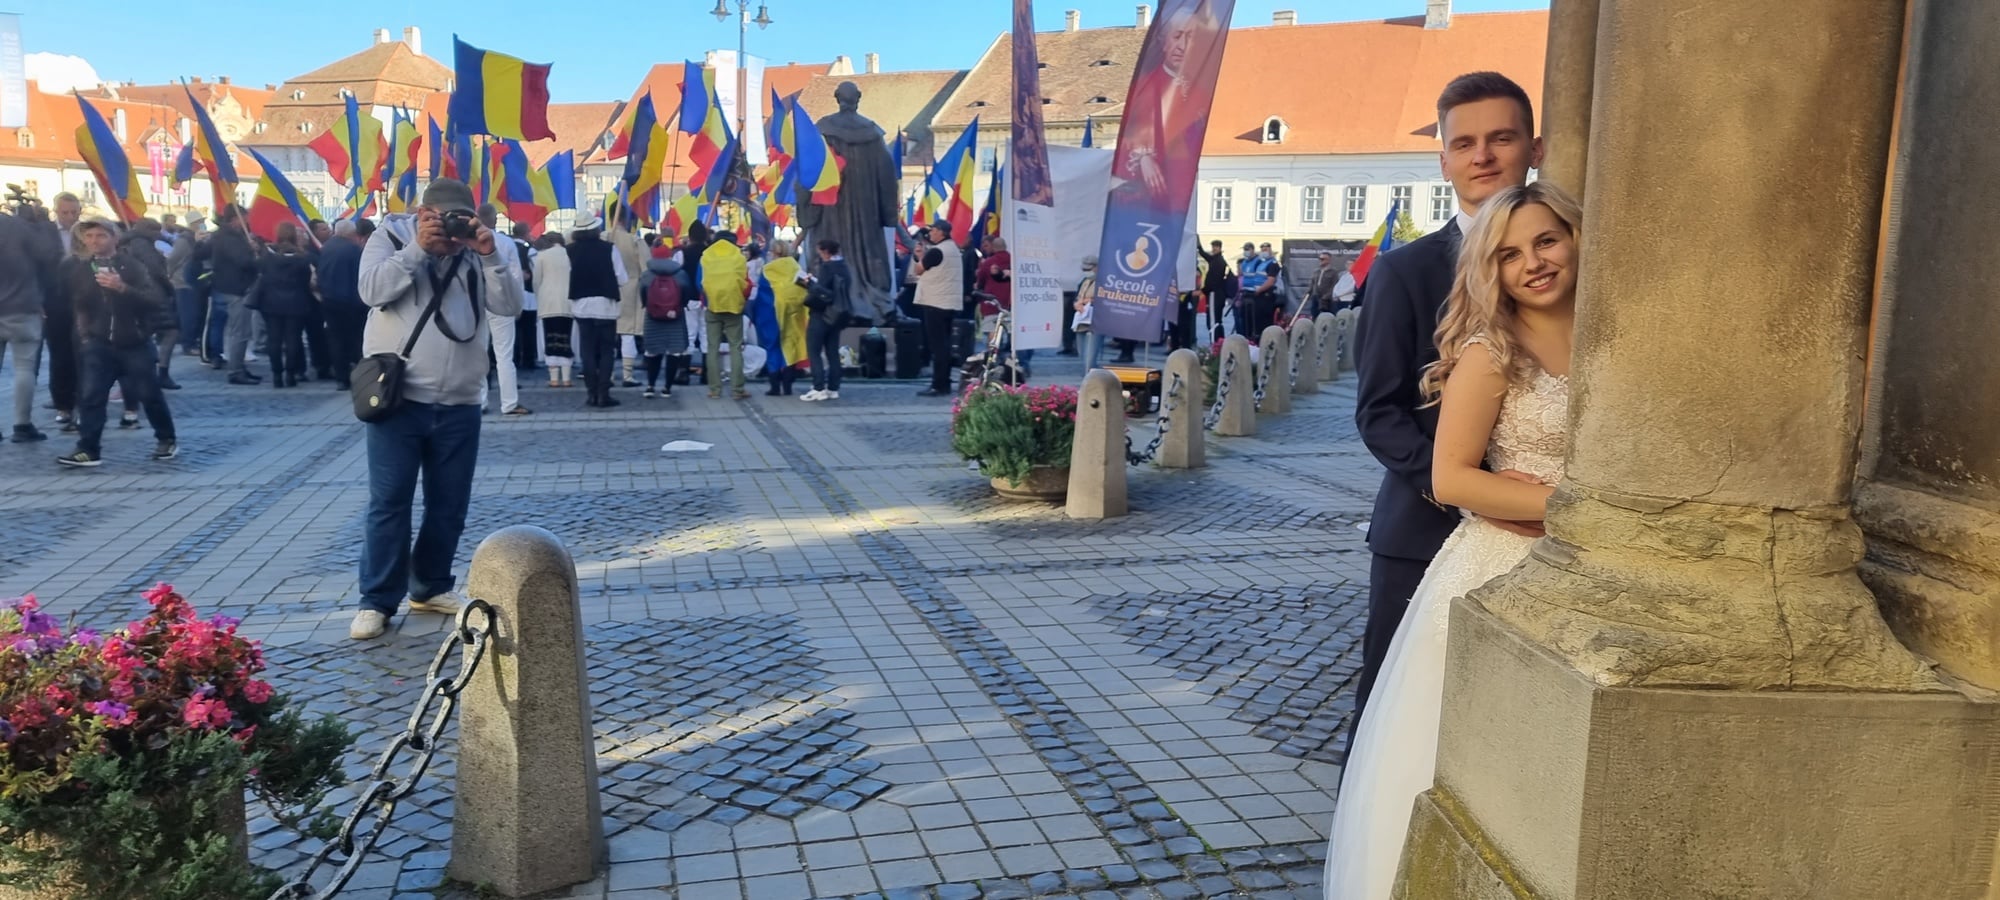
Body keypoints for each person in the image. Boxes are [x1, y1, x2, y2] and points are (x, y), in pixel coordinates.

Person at [1325, 181, 1577, 899]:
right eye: (1509, 255)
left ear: (1578, 238)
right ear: (1488, 270)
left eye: (1547, 241)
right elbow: (1453, 476)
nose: (1533, 262)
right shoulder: (1492, 351)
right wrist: (1570, 507)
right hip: (1504, 560)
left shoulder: (1615, 341)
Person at [1348, 70, 1546, 754]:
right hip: (1424, 532)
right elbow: (1379, 412)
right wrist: (1468, 492)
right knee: (1390, 724)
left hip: (1548, 540)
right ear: (1444, 161)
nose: (1482, 156)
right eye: (1464, 143)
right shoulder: (1404, 272)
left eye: (1501, 138)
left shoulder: (1570, 264)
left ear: (1535, 149)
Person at [349, 178, 523, 641]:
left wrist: (488, 254)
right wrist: (417, 251)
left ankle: (430, 585)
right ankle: (376, 600)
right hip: (400, 398)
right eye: (438, 218)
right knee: (390, 501)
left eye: (458, 219)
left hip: (461, 399)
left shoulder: (484, 247)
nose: (448, 228)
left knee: (449, 504)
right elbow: (370, 291)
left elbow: (510, 305)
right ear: (420, 213)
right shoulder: (391, 236)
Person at [55, 217, 178, 467]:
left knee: (149, 394)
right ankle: (88, 448)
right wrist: (85, 335)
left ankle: (166, 439)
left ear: (114, 238)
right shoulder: (81, 268)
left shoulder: (131, 265)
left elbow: (154, 299)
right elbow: (79, 304)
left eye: (101, 235)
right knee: (91, 396)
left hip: (134, 342)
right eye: (89, 236)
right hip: (98, 343)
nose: (94, 241)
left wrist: (123, 288)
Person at [0, 197, 61, 442]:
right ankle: (21, 425)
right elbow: (50, 255)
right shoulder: (17, 227)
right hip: (22, 306)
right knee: (24, 368)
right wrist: (42, 224)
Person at [565, 214, 629, 408]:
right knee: (607, 350)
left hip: (581, 305)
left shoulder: (570, 251)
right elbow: (622, 278)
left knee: (587, 351)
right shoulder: (609, 249)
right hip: (606, 304)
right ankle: (603, 393)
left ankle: (591, 392)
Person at [475, 205, 530, 417]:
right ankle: (509, 402)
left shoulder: (468, 242)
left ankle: (480, 400)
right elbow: (516, 277)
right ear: (495, 220)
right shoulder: (506, 243)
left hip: (476, 303)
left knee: (479, 353)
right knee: (505, 355)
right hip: (502, 302)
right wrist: (517, 303)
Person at [253, 222, 317, 388]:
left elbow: (260, 272)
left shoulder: (268, 255)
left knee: (274, 340)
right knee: (293, 339)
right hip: (295, 302)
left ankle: (277, 375)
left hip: (271, 303)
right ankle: (290, 374)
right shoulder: (302, 257)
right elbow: (306, 281)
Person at [208, 206, 265, 385]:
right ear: (235, 219)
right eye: (244, 218)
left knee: (242, 331)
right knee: (239, 332)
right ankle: (235, 370)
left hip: (236, 286)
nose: (247, 222)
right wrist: (255, 255)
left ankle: (239, 366)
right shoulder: (229, 238)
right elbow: (243, 261)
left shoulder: (228, 236)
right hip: (236, 288)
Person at [45, 193, 83, 430]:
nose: (70, 217)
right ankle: (63, 405)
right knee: (59, 354)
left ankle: (82, 402)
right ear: (56, 211)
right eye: (65, 212)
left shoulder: (87, 233)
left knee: (85, 354)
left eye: (74, 212)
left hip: (83, 301)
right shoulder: (46, 233)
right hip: (55, 302)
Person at [913, 220, 963, 397]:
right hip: (948, 302)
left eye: (933, 230)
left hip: (935, 302)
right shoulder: (953, 248)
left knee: (938, 346)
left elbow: (919, 269)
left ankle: (938, 384)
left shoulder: (937, 251)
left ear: (941, 232)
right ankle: (945, 382)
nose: (930, 233)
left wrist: (920, 255)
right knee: (945, 344)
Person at [699, 231, 752, 400]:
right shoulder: (738, 258)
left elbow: (699, 282)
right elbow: (746, 283)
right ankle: (737, 389)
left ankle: (714, 389)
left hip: (712, 306)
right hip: (733, 306)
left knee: (712, 347)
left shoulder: (706, 256)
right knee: (735, 347)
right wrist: (741, 299)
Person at [318, 219, 370, 389]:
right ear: (351, 234)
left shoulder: (326, 248)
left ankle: (341, 378)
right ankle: (361, 376)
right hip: (351, 302)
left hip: (330, 300)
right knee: (356, 340)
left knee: (336, 340)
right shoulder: (354, 250)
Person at [638, 242, 693, 398]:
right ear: (669, 256)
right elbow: (687, 293)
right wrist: (678, 306)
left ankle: (650, 386)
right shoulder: (680, 274)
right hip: (675, 316)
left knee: (653, 351)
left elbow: (643, 293)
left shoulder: (647, 274)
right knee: (674, 352)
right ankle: (667, 387)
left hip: (653, 317)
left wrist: (649, 306)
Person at [801, 238, 852, 402]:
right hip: (837, 314)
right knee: (832, 352)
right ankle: (833, 388)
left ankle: (818, 388)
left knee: (814, 351)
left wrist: (809, 284)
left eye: (820, 252)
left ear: (825, 251)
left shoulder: (827, 267)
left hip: (821, 314)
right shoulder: (844, 267)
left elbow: (821, 291)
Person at [759, 240, 810, 397]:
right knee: (790, 345)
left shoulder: (767, 270)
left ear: (773, 252)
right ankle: (788, 385)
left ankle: (774, 386)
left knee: (773, 347)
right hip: (794, 312)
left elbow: (762, 295)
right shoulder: (796, 267)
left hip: (771, 313)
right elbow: (804, 289)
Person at [534, 232, 574, 387]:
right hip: (567, 301)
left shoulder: (542, 256)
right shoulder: (570, 254)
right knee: (566, 338)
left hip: (548, 301)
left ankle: (554, 378)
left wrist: (539, 296)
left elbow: (537, 281)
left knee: (550, 338)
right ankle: (567, 377)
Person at [612, 224, 647, 389]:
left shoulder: (604, 238)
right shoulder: (635, 240)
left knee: (608, 336)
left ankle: (608, 373)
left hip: (606, 290)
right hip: (631, 290)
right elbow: (646, 268)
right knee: (627, 334)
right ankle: (627, 374)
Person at [1244, 242, 1284, 334]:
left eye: (1266, 250)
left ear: (1271, 251)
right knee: (1257, 322)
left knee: (1265, 322)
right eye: (1262, 250)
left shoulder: (1272, 264)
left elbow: (1270, 281)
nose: (1264, 252)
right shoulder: (1262, 263)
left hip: (1267, 296)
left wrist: (1259, 290)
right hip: (1259, 296)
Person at [1073, 255, 1104, 371]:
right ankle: (1089, 376)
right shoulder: (1085, 281)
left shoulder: (1105, 281)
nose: (1086, 272)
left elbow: (1105, 299)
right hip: (1081, 321)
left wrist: (1087, 301)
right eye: (1084, 269)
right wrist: (1077, 304)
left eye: (1089, 269)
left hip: (1095, 322)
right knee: (1082, 355)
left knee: (1090, 359)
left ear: (1097, 267)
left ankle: (1092, 377)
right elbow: (1077, 297)